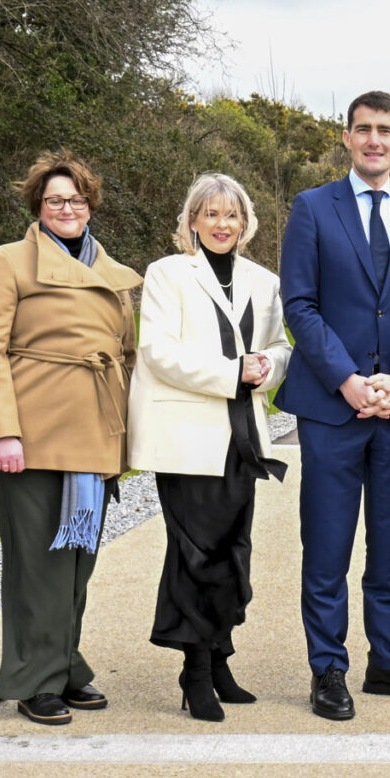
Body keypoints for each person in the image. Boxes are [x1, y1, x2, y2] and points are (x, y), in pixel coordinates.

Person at [274, 92, 390, 722]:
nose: (375, 139)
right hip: (332, 409)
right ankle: (328, 667)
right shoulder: (312, 208)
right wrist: (347, 380)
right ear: (347, 138)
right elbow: (300, 305)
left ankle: (388, 661)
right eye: (363, 129)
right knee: (327, 546)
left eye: (385, 130)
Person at [0, 151, 140, 726]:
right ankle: (33, 680)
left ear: (90, 205)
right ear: (38, 206)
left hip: (95, 433)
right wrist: (2, 432)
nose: (67, 208)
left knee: (76, 564)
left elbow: (128, 355)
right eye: (55, 200)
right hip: (33, 434)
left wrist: (125, 435)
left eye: (76, 199)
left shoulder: (112, 273)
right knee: (37, 565)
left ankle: (63, 666)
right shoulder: (7, 262)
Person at [129, 174, 292, 721]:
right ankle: (195, 672)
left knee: (232, 550)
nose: (223, 224)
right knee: (195, 553)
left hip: (242, 436)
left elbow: (279, 345)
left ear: (245, 223)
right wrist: (232, 372)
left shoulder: (264, 281)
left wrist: (268, 365)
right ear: (192, 220)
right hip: (186, 437)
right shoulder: (167, 274)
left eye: (232, 215)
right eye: (212, 214)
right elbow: (158, 352)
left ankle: (220, 658)